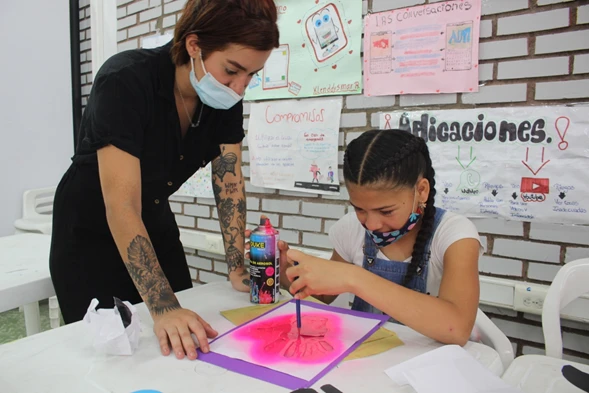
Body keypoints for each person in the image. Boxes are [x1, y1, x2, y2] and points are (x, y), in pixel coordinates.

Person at [49, 0, 279, 360]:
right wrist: (162, 305)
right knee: (114, 352)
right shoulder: (125, 80)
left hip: (152, 216)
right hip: (91, 228)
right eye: (233, 70)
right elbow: (121, 204)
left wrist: (237, 265)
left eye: (252, 75)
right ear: (194, 45)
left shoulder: (224, 98)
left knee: (185, 342)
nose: (239, 88)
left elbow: (229, 183)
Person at [282, 129, 482, 345]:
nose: (371, 224)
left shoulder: (455, 235)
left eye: (386, 211)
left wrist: (354, 278)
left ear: (421, 190)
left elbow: (457, 328)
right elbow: (320, 299)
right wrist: (285, 271)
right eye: (359, 209)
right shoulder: (350, 229)